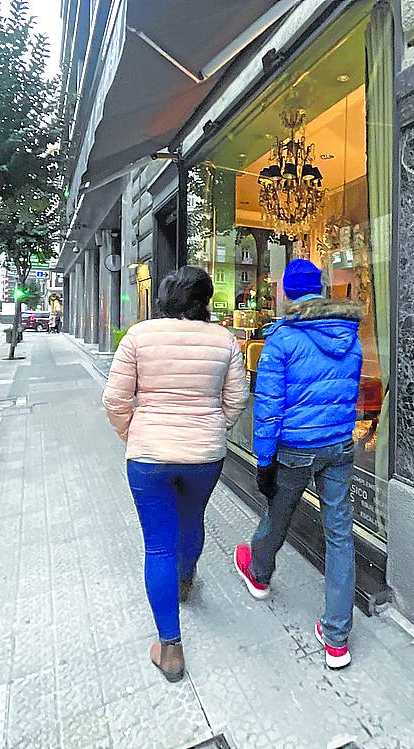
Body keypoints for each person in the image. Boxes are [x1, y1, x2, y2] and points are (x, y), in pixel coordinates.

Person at [103, 266, 249, 683]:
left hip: (149, 455)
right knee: (193, 519)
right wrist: (214, 426)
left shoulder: (139, 336)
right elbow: (237, 397)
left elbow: (114, 399)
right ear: (203, 300)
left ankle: (170, 648)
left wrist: (130, 433)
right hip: (204, 455)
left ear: (165, 299)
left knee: (157, 546)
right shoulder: (223, 339)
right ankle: (185, 582)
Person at [234, 258, 363, 669]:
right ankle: (337, 639)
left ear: (288, 292)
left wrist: (265, 459)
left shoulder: (282, 338)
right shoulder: (350, 335)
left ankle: (259, 573)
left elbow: (268, 408)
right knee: (340, 535)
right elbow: (347, 396)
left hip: (296, 447)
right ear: (321, 290)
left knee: (279, 511)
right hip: (339, 445)